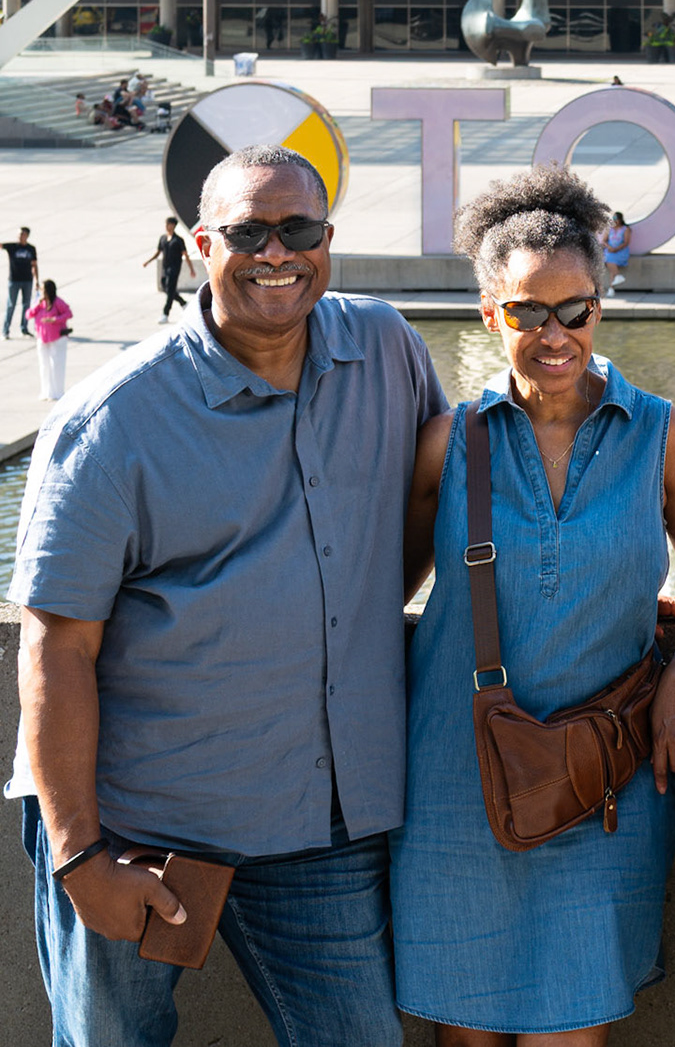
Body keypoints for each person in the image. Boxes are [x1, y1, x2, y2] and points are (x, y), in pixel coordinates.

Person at [7, 144, 448, 1047]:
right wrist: (80, 854)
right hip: (143, 825)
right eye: (248, 231)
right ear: (201, 242)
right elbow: (55, 646)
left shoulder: (387, 349)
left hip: (323, 824)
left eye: (299, 229)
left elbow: (423, 505)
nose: (276, 253)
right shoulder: (113, 421)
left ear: (330, 239)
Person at [391, 166, 675, 1045]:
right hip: (450, 787)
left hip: (603, 782)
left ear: (600, 306)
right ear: (488, 314)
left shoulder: (664, 436)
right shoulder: (447, 444)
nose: (555, 333)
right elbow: (373, 600)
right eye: (527, 312)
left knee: (572, 1034)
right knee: (462, 1035)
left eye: (574, 308)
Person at [143, 215, 197, 322]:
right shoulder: (163, 238)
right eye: (166, 224)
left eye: (169, 224)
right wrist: (148, 261)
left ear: (173, 226)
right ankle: (184, 303)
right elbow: (158, 252)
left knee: (171, 289)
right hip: (165, 267)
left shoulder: (178, 240)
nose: (167, 226)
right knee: (165, 287)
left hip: (174, 268)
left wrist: (191, 269)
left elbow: (185, 255)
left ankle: (165, 313)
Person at [26, 278, 71, 400]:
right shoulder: (39, 303)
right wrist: (37, 304)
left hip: (57, 338)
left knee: (56, 365)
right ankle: (46, 392)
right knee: (44, 366)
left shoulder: (58, 302)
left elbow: (68, 313)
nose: (41, 292)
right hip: (42, 338)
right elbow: (28, 314)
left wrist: (55, 319)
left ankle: (57, 392)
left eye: (42, 290)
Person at [5, 224, 36, 339]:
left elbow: (34, 265)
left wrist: (36, 280)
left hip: (27, 280)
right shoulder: (12, 247)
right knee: (11, 305)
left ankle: (24, 328)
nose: (20, 236)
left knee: (26, 305)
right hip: (14, 280)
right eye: (18, 234)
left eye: (22, 234)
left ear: (27, 236)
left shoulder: (31, 249)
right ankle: (5, 330)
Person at [602, 209, 631, 294]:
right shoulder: (609, 229)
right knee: (611, 263)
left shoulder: (625, 229)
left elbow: (626, 242)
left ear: (620, 220)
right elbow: (604, 240)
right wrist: (609, 247)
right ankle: (612, 287)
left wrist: (616, 249)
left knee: (610, 260)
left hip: (620, 251)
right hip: (610, 250)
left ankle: (613, 285)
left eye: (616, 220)